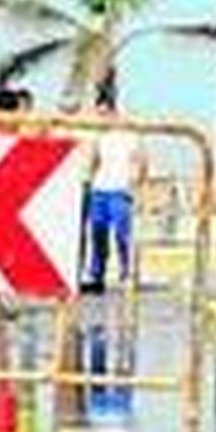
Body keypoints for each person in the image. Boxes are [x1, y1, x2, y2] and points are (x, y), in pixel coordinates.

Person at [84, 94, 145, 293]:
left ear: (113, 112)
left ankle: (126, 272)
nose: (100, 118)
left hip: (120, 191)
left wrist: (137, 185)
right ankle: (96, 275)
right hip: (99, 191)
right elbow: (93, 161)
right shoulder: (98, 136)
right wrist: (89, 182)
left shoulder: (129, 135)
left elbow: (141, 160)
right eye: (98, 114)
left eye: (104, 114)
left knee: (122, 235)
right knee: (98, 234)